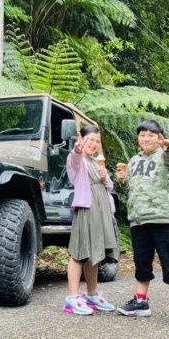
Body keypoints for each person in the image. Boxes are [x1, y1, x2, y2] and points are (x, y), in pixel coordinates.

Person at [116, 120, 169, 326]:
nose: (146, 138)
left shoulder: (163, 156)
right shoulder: (133, 160)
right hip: (138, 219)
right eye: (142, 134)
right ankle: (141, 303)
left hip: (161, 218)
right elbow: (130, 190)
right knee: (141, 263)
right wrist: (123, 181)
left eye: (151, 134)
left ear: (159, 138)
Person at [62, 124, 119, 315]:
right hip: (86, 209)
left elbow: (109, 187)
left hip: (100, 211)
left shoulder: (96, 162)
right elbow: (76, 158)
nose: (93, 144)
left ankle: (92, 294)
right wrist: (78, 149)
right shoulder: (77, 160)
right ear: (82, 140)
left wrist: (105, 177)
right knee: (79, 252)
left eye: (97, 141)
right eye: (90, 140)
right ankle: (72, 297)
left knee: (94, 252)